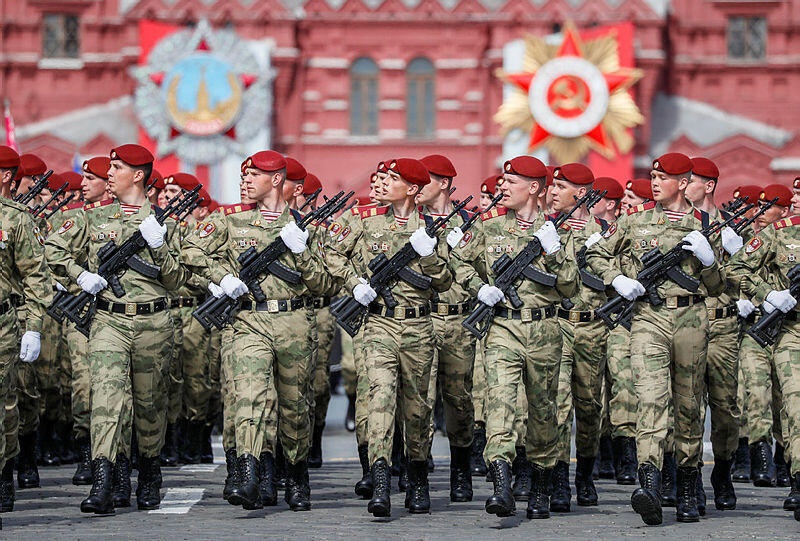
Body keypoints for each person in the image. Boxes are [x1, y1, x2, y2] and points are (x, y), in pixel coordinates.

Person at [182, 150, 331, 512]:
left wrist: (303, 254)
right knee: (250, 397)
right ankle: (250, 472)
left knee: (296, 407)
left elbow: (325, 283)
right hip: (247, 321)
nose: (245, 180)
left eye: (254, 175)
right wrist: (223, 278)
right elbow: (189, 249)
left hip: (294, 322)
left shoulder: (308, 228)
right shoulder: (229, 221)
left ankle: (295, 473)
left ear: (276, 180)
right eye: (244, 174)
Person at [46, 144, 187, 514]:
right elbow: (52, 251)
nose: (108, 173)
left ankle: (150, 471)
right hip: (108, 320)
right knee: (107, 400)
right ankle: (105, 480)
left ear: (138, 175)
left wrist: (159, 247)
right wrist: (82, 275)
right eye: (109, 167)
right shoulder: (92, 218)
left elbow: (179, 280)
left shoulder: (165, 223)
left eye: (116, 167)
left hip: (154, 323)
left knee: (149, 405)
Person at [586, 152, 725, 525]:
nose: (655, 181)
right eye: (653, 175)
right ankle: (649, 480)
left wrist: (710, 262)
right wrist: (617, 279)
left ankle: (686, 485)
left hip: (692, 318)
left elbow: (719, 286)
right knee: (649, 398)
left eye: (664, 177)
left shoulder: (707, 224)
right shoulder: (634, 222)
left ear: (683, 183)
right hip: (648, 317)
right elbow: (596, 253)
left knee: (689, 404)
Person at [451, 155, 578, 519]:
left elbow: (570, 286)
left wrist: (553, 252)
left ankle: (540, 487)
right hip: (503, 327)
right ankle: (502, 486)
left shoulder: (560, 232)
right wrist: (479, 288)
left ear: (534, 188)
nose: (502, 187)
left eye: (511, 181)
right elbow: (458, 261)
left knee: (543, 413)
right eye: (503, 180)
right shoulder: (488, 227)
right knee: (500, 406)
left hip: (545, 330)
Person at [327, 157, 452, 517]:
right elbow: (330, 252)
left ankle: (417, 476)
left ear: (413, 189)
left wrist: (428, 256)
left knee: (417, 408)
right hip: (378, 324)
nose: (383, 183)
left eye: (393, 179)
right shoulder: (363, 221)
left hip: (418, 327)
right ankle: (380, 479)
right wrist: (355, 284)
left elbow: (444, 281)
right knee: (379, 399)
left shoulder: (432, 228)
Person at [727, 182, 800, 521]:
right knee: (789, 401)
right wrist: (769, 293)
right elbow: (737, 268)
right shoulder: (778, 235)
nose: (796, 200)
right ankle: (787, 473)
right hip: (785, 328)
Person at [548, 163, 610, 512]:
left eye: (562, 186)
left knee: (589, 407)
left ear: (582, 193)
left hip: (592, 327)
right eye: (553, 186)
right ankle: (558, 480)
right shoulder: (545, 230)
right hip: (557, 325)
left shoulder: (604, 232)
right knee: (558, 404)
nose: (553, 191)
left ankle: (584, 474)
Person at [683, 157, 742, 512]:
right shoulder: (673, 225)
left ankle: (722, 469)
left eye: (689, 180)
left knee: (724, 407)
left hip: (721, 325)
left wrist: (733, 254)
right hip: (686, 321)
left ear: (707, 186)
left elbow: (746, 278)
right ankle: (686, 477)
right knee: (686, 403)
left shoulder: (733, 227)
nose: (682, 185)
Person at [416, 154, 476, 503]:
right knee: (419, 400)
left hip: (457, 321)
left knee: (458, 400)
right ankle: (419, 473)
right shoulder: (410, 222)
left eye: (425, 180)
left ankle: (461, 470)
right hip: (421, 318)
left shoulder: (471, 222)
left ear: (443, 184)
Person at [0, 146, 52, 528]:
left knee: (2, 407)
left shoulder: (17, 220)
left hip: (2, 325)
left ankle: (4, 472)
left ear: (5, 176)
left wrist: (33, 326)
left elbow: (36, 276)